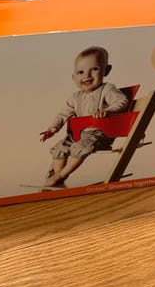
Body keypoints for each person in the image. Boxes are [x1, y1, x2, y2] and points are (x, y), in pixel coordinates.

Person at [40, 46, 129, 187]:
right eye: (80, 72)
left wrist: (109, 110)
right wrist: (53, 128)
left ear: (106, 70)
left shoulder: (107, 89)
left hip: (100, 133)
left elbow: (122, 101)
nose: (87, 75)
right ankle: (58, 177)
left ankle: (61, 175)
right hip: (78, 134)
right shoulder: (75, 97)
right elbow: (63, 113)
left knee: (80, 147)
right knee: (60, 148)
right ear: (73, 77)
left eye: (94, 69)